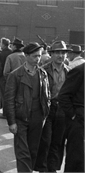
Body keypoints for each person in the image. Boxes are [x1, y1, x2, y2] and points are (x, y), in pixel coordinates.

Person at [4, 42, 50, 172]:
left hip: (38, 117)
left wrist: (44, 114)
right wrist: (11, 122)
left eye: (39, 56)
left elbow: (47, 96)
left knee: (33, 150)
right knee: (22, 151)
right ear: (26, 56)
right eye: (35, 56)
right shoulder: (15, 75)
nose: (38, 59)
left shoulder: (43, 74)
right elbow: (9, 100)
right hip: (21, 118)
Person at [35, 41, 71, 172]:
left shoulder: (70, 72)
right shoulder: (43, 70)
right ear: (51, 54)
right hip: (47, 109)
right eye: (57, 53)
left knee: (58, 141)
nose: (60, 56)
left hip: (62, 110)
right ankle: (43, 168)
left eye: (63, 53)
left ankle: (53, 168)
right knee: (45, 141)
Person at [58, 63, 84, 172]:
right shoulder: (79, 71)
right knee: (76, 157)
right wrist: (73, 115)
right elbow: (63, 96)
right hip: (79, 121)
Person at [0, 37, 12, 119]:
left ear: (3, 44)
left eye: (1, 43)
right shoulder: (11, 53)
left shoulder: (1, 55)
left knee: (4, 95)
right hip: (12, 76)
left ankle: (5, 113)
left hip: (3, 77)